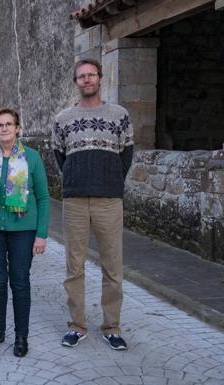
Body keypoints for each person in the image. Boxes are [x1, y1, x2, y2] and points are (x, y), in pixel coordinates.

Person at [51, 58, 134, 350]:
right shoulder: (63, 119)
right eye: (81, 76)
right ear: (76, 82)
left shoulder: (119, 115)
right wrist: (78, 178)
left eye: (91, 75)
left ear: (100, 78)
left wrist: (109, 179)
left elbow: (126, 154)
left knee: (112, 266)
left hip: (109, 200)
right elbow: (60, 155)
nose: (86, 80)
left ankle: (112, 326)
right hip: (74, 200)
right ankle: (77, 325)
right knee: (74, 266)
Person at [0, 108, 50, 357]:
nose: (4, 128)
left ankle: (21, 335)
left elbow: (43, 198)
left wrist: (41, 234)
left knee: (20, 281)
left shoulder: (32, 158)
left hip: (23, 231)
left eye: (9, 124)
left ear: (18, 128)